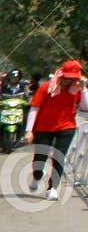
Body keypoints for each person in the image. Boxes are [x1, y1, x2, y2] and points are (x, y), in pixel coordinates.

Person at [27, 59, 88, 200]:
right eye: (67, 78)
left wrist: (84, 88)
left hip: (67, 127)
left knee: (59, 157)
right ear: (62, 75)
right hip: (44, 127)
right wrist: (29, 130)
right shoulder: (47, 87)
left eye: (73, 78)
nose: (69, 81)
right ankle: (37, 176)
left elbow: (85, 107)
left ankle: (52, 188)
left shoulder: (77, 89)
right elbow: (34, 108)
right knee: (40, 157)